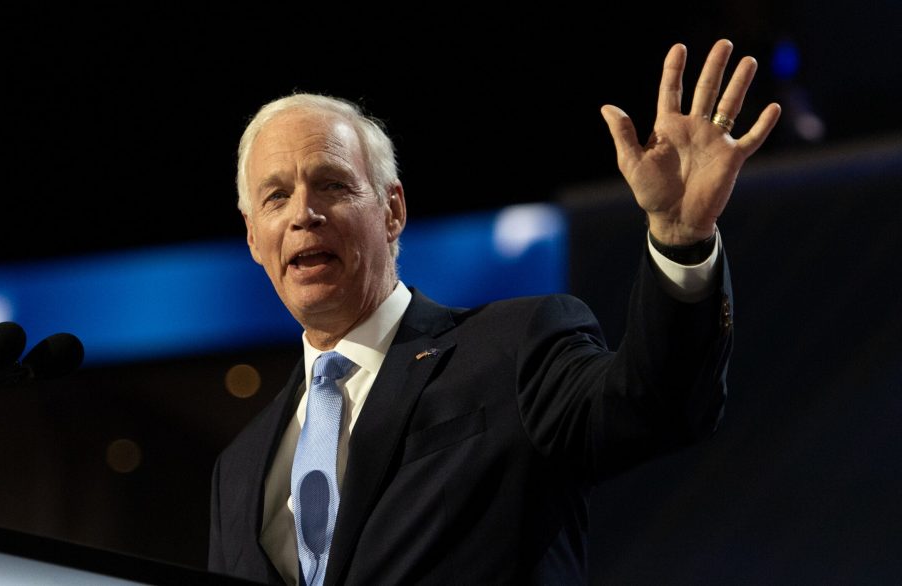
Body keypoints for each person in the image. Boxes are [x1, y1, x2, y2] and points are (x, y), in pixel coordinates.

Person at [208, 39, 781, 585]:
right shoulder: (237, 470)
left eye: (332, 184)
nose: (304, 213)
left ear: (391, 210)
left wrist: (681, 240)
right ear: (255, 236)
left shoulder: (515, 348)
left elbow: (659, 403)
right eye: (276, 196)